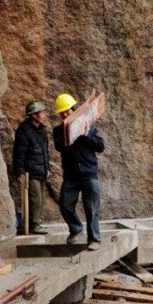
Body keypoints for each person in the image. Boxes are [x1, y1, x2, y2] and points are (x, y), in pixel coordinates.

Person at [52, 93, 105, 250]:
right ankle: (76, 229)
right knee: (65, 205)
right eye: (62, 113)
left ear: (74, 109)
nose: (65, 114)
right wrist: (71, 134)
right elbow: (59, 147)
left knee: (92, 208)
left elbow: (100, 147)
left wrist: (86, 134)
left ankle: (94, 240)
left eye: (67, 111)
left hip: (89, 174)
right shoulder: (58, 130)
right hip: (71, 176)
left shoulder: (89, 126)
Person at [12, 101, 50, 234]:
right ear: (34, 115)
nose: (45, 115)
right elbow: (19, 153)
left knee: (40, 199)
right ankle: (34, 225)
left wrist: (47, 168)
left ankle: (36, 223)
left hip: (41, 170)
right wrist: (19, 173)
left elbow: (45, 151)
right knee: (35, 199)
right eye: (42, 112)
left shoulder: (41, 130)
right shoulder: (24, 131)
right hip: (31, 172)